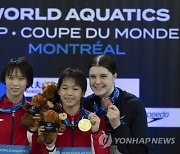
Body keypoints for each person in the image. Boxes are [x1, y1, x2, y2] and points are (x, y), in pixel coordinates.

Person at [82, 55, 151, 154]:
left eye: (103, 76)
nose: (97, 82)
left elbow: (143, 151)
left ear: (114, 77)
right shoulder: (86, 104)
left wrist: (118, 126)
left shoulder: (133, 105)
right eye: (93, 76)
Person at [38, 67, 109, 154]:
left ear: (83, 92)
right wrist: (50, 147)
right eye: (65, 88)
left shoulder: (95, 121)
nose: (69, 93)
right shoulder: (49, 120)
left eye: (75, 89)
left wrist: (96, 133)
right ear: (59, 91)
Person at [0, 57, 34, 153]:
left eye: (20, 78)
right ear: (5, 79)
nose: (15, 83)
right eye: (10, 77)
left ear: (27, 81)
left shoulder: (33, 113)